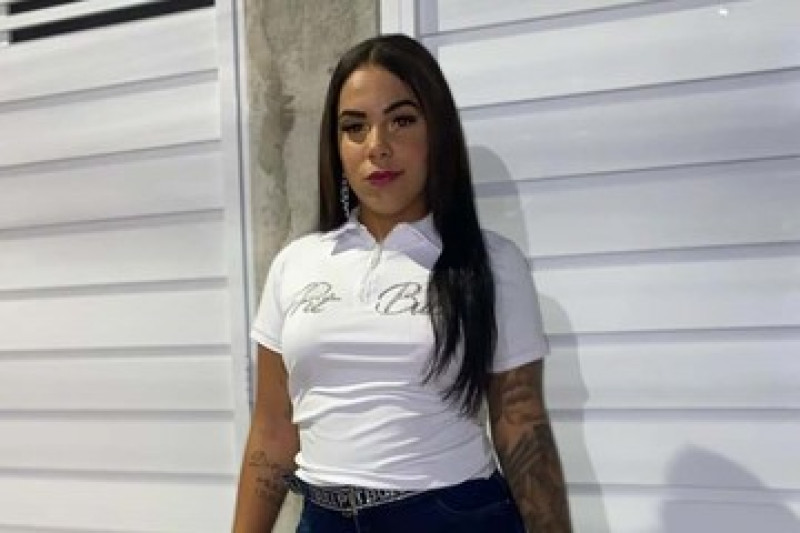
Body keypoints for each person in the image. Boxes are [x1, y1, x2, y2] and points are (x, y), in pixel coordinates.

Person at [232, 34, 572, 532]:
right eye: (355, 127)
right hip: (323, 519)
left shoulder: (491, 264)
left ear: (437, 132)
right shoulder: (296, 264)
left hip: (450, 518)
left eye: (401, 120)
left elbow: (521, 423)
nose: (378, 146)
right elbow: (272, 429)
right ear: (337, 147)